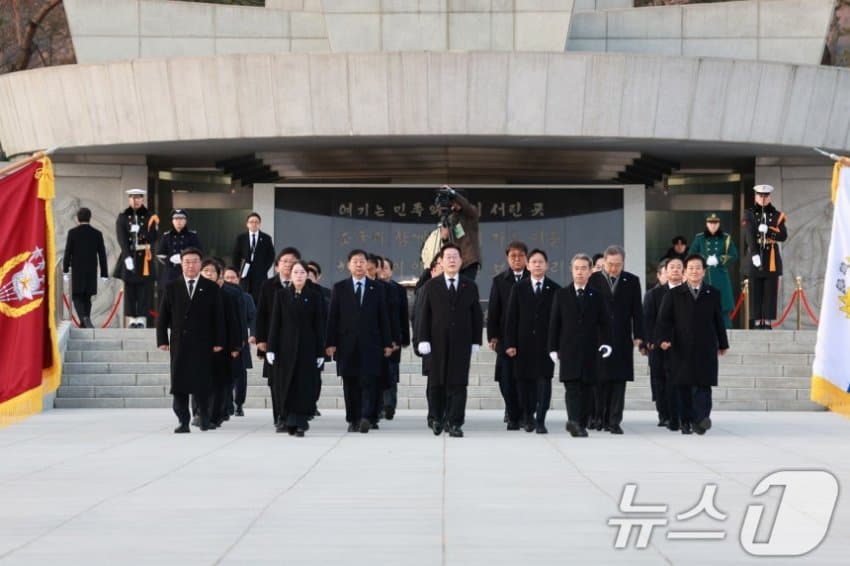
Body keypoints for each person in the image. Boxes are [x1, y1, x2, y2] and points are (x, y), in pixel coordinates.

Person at [416, 243, 484, 438]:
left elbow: (476, 315)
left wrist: (475, 341)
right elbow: (424, 315)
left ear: (461, 261)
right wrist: (422, 339)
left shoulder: (469, 286)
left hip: (461, 343)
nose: (452, 260)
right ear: (441, 262)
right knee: (436, 383)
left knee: (458, 384)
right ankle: (436, 419)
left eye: (455, 256)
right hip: (435, 343)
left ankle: (455, 423)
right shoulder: (431, 285)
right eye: (448, 257)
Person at [658, 254, 730, 435]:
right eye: (690, 268)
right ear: (685, 272)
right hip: (681, 346)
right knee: (684, 385)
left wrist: (723, 343)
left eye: (698, 268)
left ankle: (701, 419)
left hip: (705, 346)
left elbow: (718, 320)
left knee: (703, 384)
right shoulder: (673, 294)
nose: (694, 271)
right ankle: (686, 420)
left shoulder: (712, 293)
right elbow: (664, 320)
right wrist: (664, 339)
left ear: (704, 271)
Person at [156, 248, 225, 433]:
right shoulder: (172, 287)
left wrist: (219, 340)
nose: (191, 265)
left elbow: (218, 316)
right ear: (181, 264)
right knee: (179, 384)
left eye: (194, 261)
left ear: (200, 264)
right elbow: (163, 316)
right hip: (180, 343)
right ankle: (183, 420)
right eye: (187, 261)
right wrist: (162, 338)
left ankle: (204, 416)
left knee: (203, 382)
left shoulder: (211, 287)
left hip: (204, 342)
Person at [326, 249, 393, 433]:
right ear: (348, 265)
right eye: (355, 261)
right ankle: (353, 419)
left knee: (369, 381)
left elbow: (383, 318)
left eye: (362, 261)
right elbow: (333, 317)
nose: (359, 264)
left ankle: (366, 417)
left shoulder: (377, 288)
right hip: (346, 344)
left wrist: (387, 343)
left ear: (367, 265)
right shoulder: (339, 288)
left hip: (372, 343)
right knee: (350, 383)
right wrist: (330, 342)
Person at [548, 254, 612, 438]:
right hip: (568, 349)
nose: (580, 272)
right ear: (571, 270)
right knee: (572, 388)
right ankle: (574, 422)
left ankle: (581, 423)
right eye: (577, 268)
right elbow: (554, 323)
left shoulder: (597, 296)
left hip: (590, 350)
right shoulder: (561, 295)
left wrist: (607, 343)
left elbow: (605, 323)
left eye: (584, 268)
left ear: (590, 271)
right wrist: (552, 347)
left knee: (587, 388)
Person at [587, 245, 644, 435]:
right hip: (598, 338)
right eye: (610, 264)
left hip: (621, 337)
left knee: (619, 381)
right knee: (599, 380)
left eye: (617, 265)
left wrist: (639, 336)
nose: (613, 269)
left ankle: (614, 421)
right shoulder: (593, 280)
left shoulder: (632, 281)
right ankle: (597, 417)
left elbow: (637, 311)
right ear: (604, 262)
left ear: (623, 263)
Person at [503, 249, 561, 434]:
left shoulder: (555, 289)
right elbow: (511, 318)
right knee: (524, 382)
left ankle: (541, 419)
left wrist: (557, 345)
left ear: (547, 265)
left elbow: (559, 320)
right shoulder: (518, 288)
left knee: (544, 381)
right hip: (523, 344)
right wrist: (510, 343)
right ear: (528, 266)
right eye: (534, 262)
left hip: (546, 345)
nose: (537, 265)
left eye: (540, 262)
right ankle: (527, 417)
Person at [266, 261, 326, 436]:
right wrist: (271, 348)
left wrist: (320, 351)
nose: (299, 275)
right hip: (285, 348)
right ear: (290, 275)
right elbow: (275, 324)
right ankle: (289, 419)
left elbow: (319, 325)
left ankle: (300, 421)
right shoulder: (282, 295)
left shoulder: (315, 296)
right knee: (287, 384)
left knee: (304, 385)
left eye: (302, 272)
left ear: (307, 275)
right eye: (296, 272)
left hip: (307, 348)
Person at [255, 247, 301, 427]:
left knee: (295, 381)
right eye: (285, 261)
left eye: (292, 261)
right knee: (276, 382)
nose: (288, 265)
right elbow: (261, 315)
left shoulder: (304, 285)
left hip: (296, 343)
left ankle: (292, 416)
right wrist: (260, 339)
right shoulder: (268, 285)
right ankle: (280, 417)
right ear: (277, 266)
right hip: (274, 342)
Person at [486, 241, 529, 430]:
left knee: (526, 379)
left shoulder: (534, 278)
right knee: (506, 380)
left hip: (529, 339)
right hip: (505, 338)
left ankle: (524, 414)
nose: (517, 259)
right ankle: (512, 414)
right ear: (507, 258)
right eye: (513, 256)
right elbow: (493, 311)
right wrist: (492, 336)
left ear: (526, 258)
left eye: (520, 256)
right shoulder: (499, 280)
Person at [200, 259, 242, 429]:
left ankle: (215, 415)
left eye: (212, 271)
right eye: (206, 271)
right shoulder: (195, 295)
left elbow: (234, 323)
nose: (209, 274)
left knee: (219, 384)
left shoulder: (228, 296)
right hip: (200, 347)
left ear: (219, 276)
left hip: (223, 348)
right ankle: (201, 414)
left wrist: (235, 346)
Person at [643, 258, 685, 431]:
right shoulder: (654, 294)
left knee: (678, 381)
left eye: (678, 267)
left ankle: (679, 415)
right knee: (660, 381)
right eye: (671, 268)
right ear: (665, 272)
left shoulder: (688, 292)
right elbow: (647, 320)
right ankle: (664, 415)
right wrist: (652, 342)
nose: (675, 270)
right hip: (659, 347)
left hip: (681, 346)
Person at [742, 184, 788, 329]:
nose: (763, 198)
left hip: (771, 256)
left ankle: (767, 321)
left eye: (766, 195)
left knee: (770, 290)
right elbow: (749, 235)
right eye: (760, 195)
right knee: (755, 289)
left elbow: (783, 235)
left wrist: (768, 230)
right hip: (755, 254)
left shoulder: (777, 215)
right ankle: (756, 321)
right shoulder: (749, 213)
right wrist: (754, 254)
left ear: (770, 197)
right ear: (755, 196)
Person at [114, 188, 159, 328]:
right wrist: (127, 257)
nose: (135, 200)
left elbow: (154, 237)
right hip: (130, 256)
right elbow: (121, 238)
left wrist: (142, 232)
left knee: (144, 290)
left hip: (144, 257)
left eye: (138, 197)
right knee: (130, 289)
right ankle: (132, 319)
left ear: (142, 199)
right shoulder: (123, 217)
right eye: (132, 198)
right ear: (129, 199)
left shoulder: (150, 216)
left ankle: (141, 319)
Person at [688, 213, 739, 329]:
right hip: (703, 276)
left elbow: (734, 255)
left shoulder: (726, 238)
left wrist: (719, 259)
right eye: (710, 223)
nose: (713, 225)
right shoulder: (699, 238)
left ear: (719, 224)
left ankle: (725, 330)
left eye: (715, 223)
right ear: (706, 224)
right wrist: (704, 259)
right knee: (701, 305)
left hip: (721, 276)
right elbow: (691, 254)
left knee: (723, 305)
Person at [421, 186, 481, 281]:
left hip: (469, 261)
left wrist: (452, 193)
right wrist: (445, 238)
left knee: (465, 287)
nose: (452, 203)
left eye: (453, 201)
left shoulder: (470, 213)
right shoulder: (453, 217)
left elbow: (466, 206)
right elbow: (455, 237)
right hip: (456, 260)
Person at [62, 207, 108, 328]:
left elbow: (68, 253)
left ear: (77, 218)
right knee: (87, 297)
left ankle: (85, 318)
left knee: (77, 296)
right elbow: (102, 255)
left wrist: (65, 270)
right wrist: (104, 274)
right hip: (92, 269)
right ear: (90, 218)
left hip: (77, 269)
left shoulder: (72, 233)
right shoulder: (97, 233)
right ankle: (85, 322)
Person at [380, 257, 410, 420]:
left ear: (391, 271)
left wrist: (404, 338)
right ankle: (378, 406)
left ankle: (389, 405)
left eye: (386, 268)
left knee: (391, 373)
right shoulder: (373, 288)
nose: (383, 271)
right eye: (381, 268)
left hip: (394, 338)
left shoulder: (398, 290)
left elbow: (403, 315)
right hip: (377, 340)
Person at [223, 266, 256, 417]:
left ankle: (239, 404)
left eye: (233, 278)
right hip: (223, 341)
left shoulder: (246, 297)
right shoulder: (219, 295)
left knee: (240, 375)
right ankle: (228, 403)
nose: (230, 280)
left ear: (238, 279)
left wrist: (252, 334)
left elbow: (253, 318)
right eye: (227, 278)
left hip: (241, 341)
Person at [155, 209, 202, 295]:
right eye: (176, 219)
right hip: (171, 272)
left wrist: (185, 259)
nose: (179, 221)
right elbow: (160, 254)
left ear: (185, 221)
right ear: (172, 221)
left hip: (188, 271)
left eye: (181, 219)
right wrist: (170, 259)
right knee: (169, 298)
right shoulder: (166, 236)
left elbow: (199, 253)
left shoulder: (192, 235)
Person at [232, 212, 275, 305]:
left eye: (256, 222)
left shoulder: (266, 238)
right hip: (245, 273)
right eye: (251, 222)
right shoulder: (241, 238)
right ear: (247, 224)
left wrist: (264, 269)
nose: (254, 224)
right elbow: (236, 255)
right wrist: (238, 270)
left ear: (259, 224)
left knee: (259, 297)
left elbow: (271, 256)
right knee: (245, 296)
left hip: (260, 273)